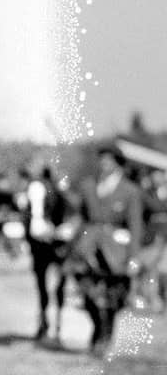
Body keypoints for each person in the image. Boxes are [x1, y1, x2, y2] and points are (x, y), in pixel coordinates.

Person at [65, 143, 146, 353]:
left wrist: (134, 256)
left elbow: (135, 225)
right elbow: (80, 216)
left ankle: (106, 335)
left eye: (109, 160)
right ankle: (96, 325)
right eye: (102, 160)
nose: (104, 164)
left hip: (116, 249)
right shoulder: (88, 186)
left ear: (118, 164)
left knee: (114, 295)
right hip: (88, 244)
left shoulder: (130, 191)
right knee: (84, 286)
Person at [22, 164, 72, 343]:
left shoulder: (61, 194)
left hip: (58, 241)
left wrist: (60, 232)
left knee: (60, 284)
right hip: (40, 241)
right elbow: (28, 218)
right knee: (41, 284)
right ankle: (44, 321)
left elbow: (70, 214)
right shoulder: (35, 190)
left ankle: (57, 324)